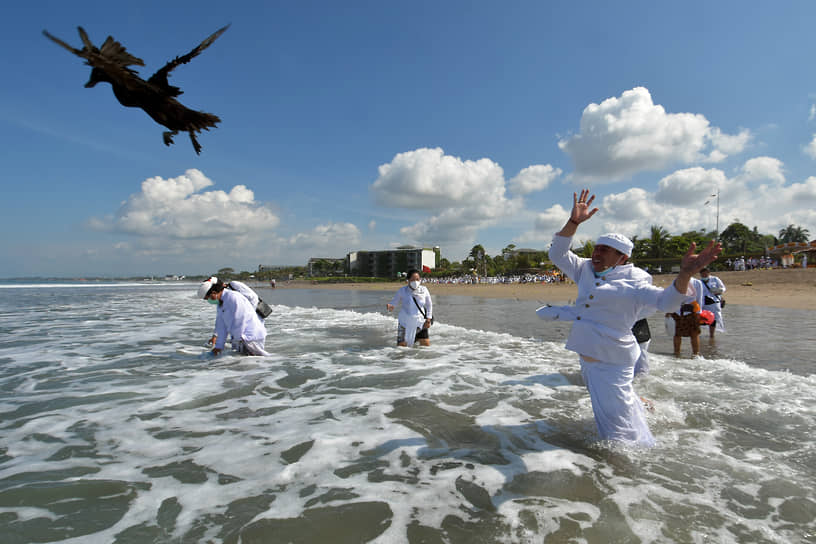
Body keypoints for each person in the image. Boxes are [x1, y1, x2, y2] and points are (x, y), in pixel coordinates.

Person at [544, 189, 721, 446]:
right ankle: (646, 413)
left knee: (618, 433)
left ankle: (635, 466)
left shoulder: (635, 279)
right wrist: (573, 223)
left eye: (606, 250)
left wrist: (683, 275)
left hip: (611, 358)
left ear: (622, 257)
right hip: (589, 352)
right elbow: (557, 254)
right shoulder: (584, 268)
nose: (597, 253)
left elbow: (666, 302)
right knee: (615, 410)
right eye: (597, 247)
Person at [197, 278, 270, 356]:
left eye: (208, 298)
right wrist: (219, 346)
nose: (208, 300)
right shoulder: (221, 302)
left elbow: (239, 320)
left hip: (249, 337)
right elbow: (221, 325)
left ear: (214, 293)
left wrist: (238, 338)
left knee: (256, 361)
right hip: (240, 339)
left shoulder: (233, 297)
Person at [386, 269, 433, 347]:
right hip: (405, 321)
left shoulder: (424, 290)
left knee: (425, 345)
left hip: (420, 321)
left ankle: (416, 339)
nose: (415, 282)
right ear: (408, 280)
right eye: (413, 280)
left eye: (417, 279)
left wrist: (428, 318)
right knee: (402, 347)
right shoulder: (402, 290)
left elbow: (429, 305)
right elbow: (393, 303)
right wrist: (390, 306)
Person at [667, 275, 704, 356]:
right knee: (678, 334)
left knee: (693, 334)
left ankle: (694, 354)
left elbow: (699, 299)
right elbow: (672, 296)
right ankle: (677, 353)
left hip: (690, 311)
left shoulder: (696, 282)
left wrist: (699, 313)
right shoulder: (677, 280)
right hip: (678, 311)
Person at [699, 267, 726, 338]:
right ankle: (698, 336)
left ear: (708, 273)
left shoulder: (715, 279)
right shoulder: (699, 282)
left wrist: (718, 291)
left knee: (713, 320)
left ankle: (712, 335)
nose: (704, 275)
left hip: (714, 303)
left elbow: (723, 288)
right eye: (702, 274)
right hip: (704, 304)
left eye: (705, 274)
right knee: (702, 320)